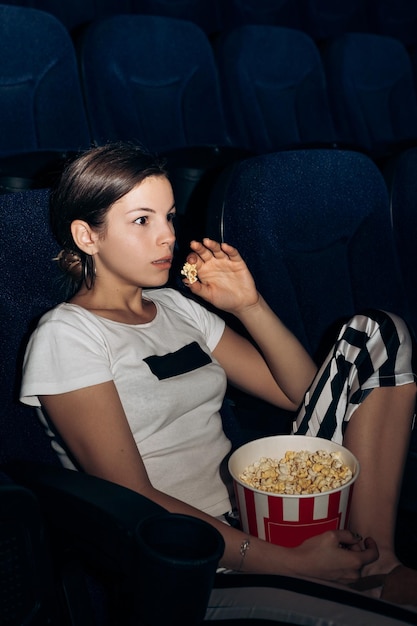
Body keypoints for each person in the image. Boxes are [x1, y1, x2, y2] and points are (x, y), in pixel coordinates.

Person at [20, 142, 417, 618]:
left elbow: (307, 396)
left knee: (380, 333)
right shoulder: (67, 335)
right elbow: (134, 498)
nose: (167, 236)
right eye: (142, 220)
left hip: (260, 509)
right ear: (88, 236)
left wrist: (249, 305)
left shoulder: (176, 307)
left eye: (169, 216)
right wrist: (291, 564)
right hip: (195, 558)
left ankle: (379, 556)